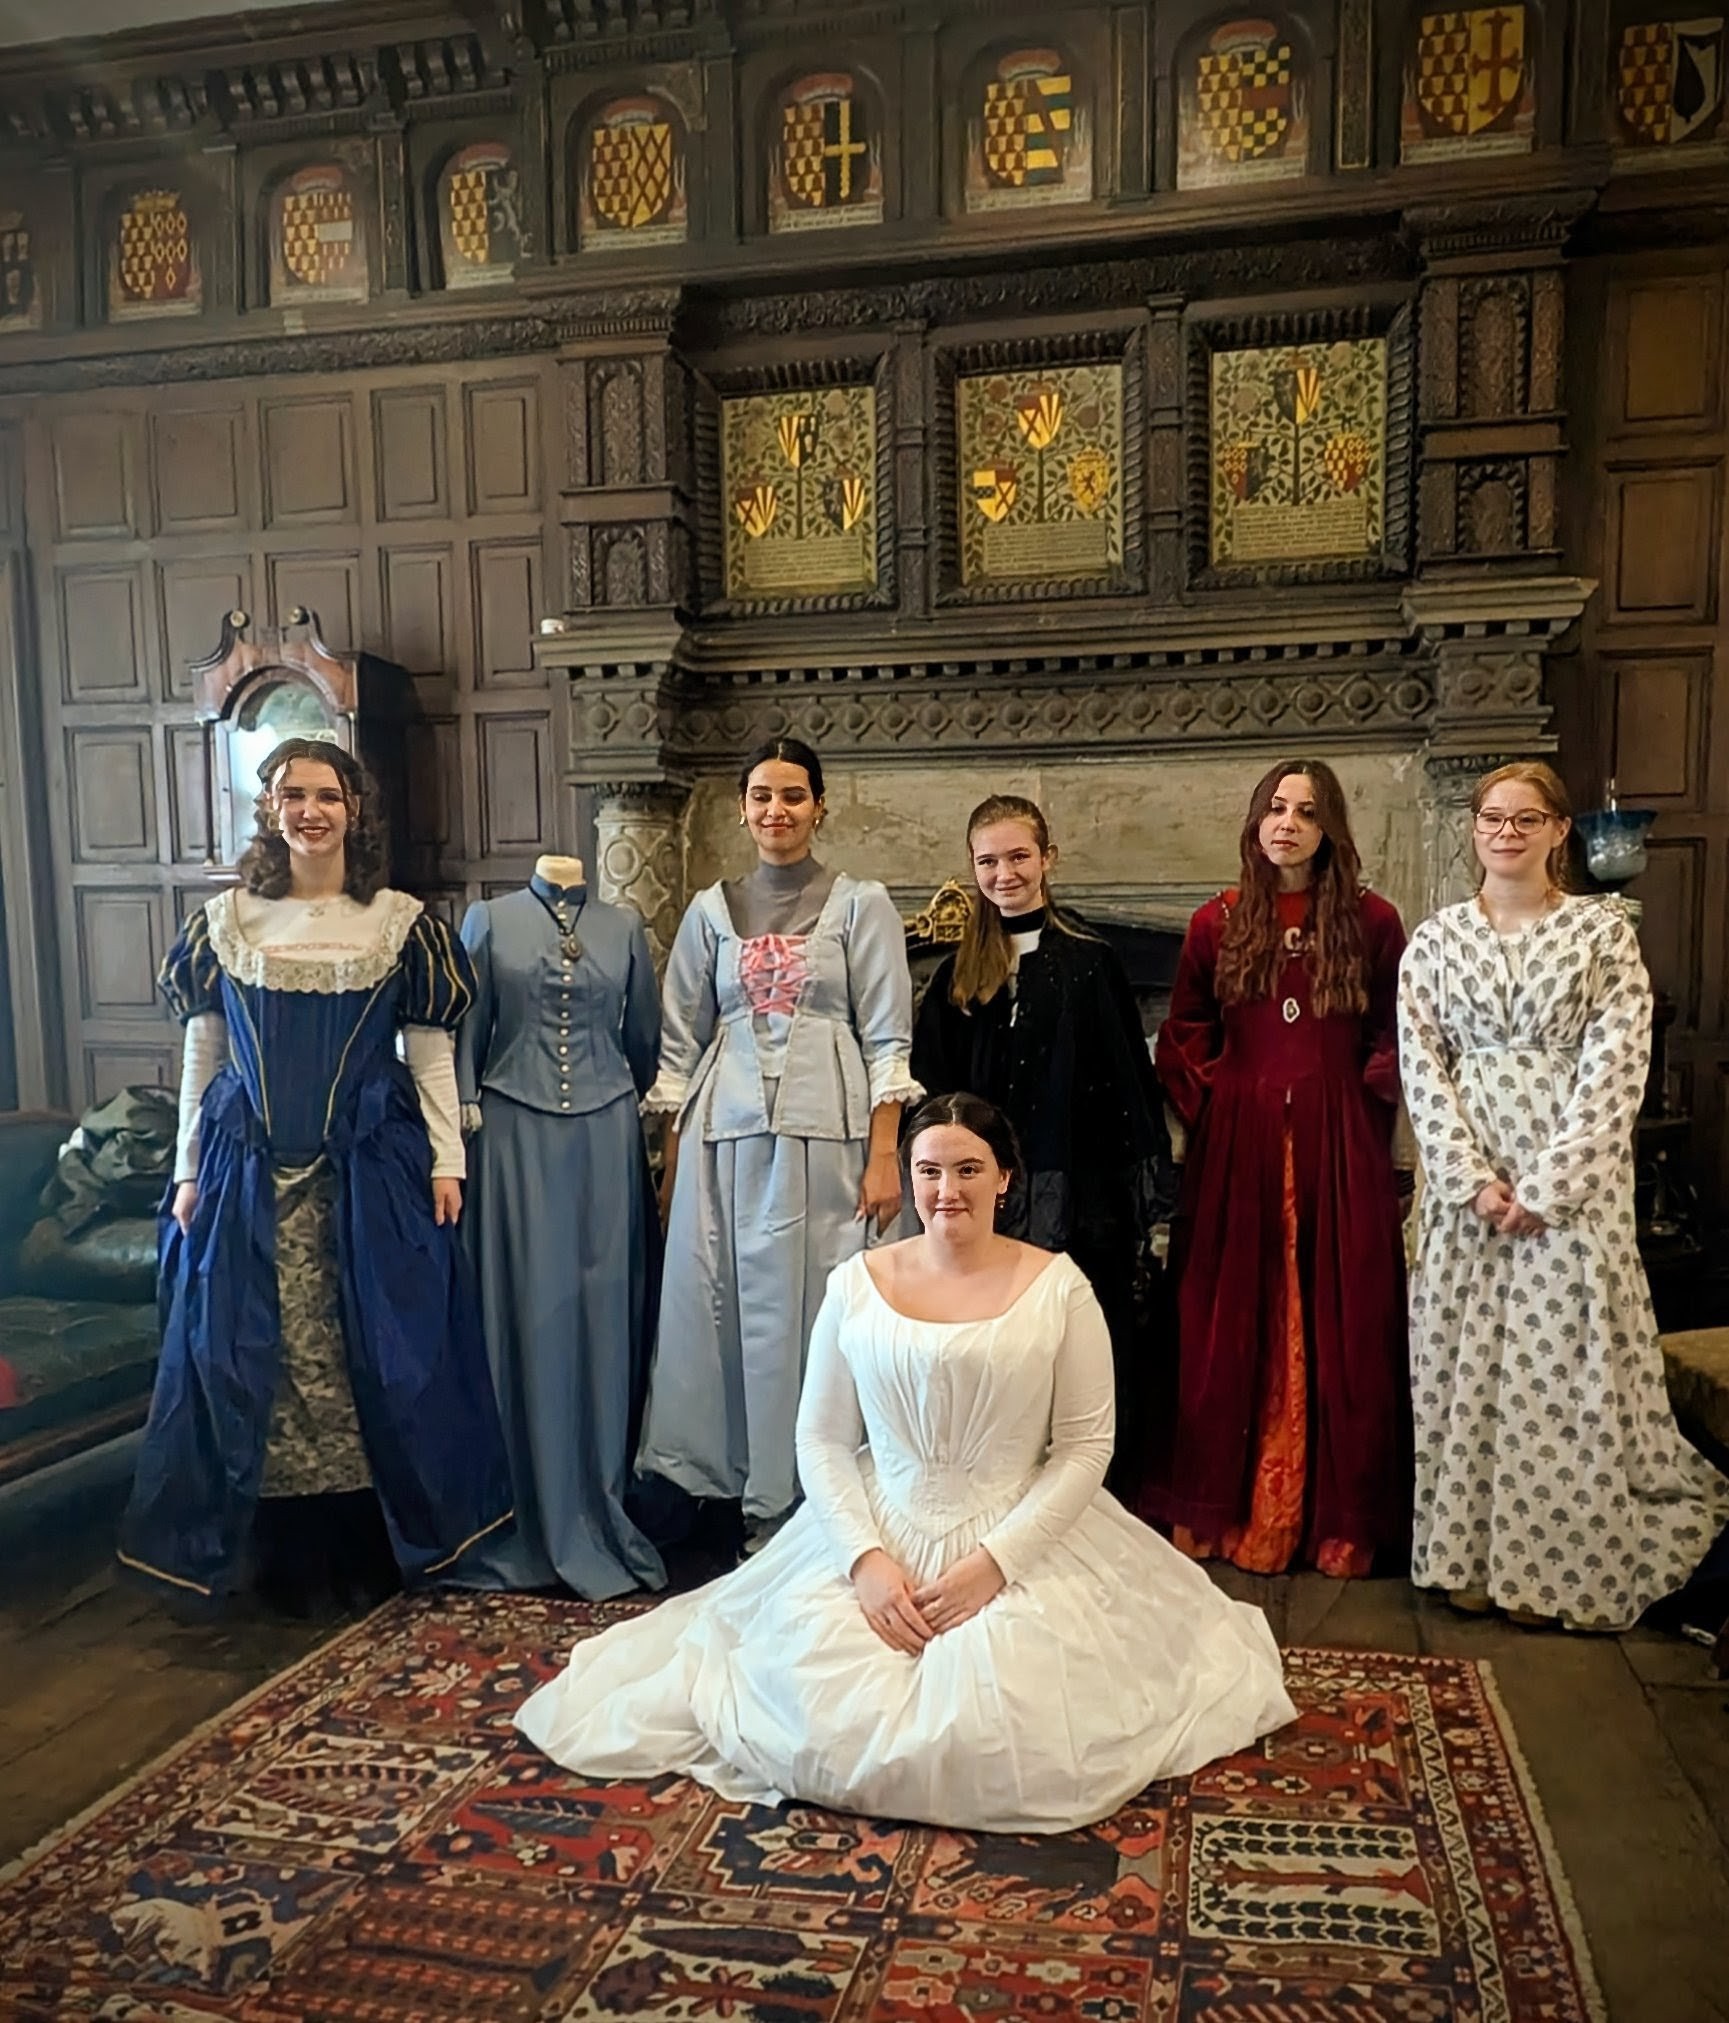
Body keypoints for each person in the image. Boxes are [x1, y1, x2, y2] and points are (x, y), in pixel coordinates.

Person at [518, 1093, 1294, 1834]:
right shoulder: (857, 1284)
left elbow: (1086, 1447)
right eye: (928, 1170)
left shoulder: (1059, 1289)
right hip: (879, 1527)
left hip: (1018, 1531)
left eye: (966, 1168)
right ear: (910, 1178)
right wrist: (863, 1562)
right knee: (810, 1714)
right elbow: (821, 1437)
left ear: (1003, 1177)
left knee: (1015, 1740)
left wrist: (997, 1562)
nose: (946, 1189)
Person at [119, 737, 514, 1611]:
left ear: (355, 810)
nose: (309, 810)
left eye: (326, 795)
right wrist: (186, 1169)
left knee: (369, 1353)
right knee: (249, 1353)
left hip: (368, 1171)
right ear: (269, 810)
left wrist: (448, 1158)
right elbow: (204, 1049)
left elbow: (429, 1050)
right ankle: (276, 1553)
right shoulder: (228, 923)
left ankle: (367, 1547)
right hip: (245, 1173)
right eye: (291, 794)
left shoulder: (399, 924)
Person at [1398, 761, 1729, 1631]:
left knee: (1558, 1373)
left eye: (1524, 818)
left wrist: (1544, 1188)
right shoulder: (1432, 942)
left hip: (1565, 1186)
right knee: (1461, 1367)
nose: (1504, 832)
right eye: (1490, 817)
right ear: (1473, 830)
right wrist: (1470, 1181)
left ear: (1557, 832)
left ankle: (1557, 1571)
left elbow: (1617, 1067)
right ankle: (1464, 1556)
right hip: (1467, 1188)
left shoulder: (1599, 934)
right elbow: (1420, 1069)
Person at [637, 737, 920, 1553]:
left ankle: (830, 1498)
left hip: (830, 1146)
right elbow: (679, 1048)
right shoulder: (707, 911)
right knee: (729, 1309)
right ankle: (752, 1496)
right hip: (724, 1146)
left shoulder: (861, 904)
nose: (776, 810)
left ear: (819, 806)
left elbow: (886, 1037)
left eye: (793, 795)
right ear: (742, 807)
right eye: (761, 795)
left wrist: (882, 1153)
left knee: (821, 1310)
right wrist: (671, 1165)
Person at [1149, 759, 1410, 1578]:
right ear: (1254, 822)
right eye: (1273, 807)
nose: (1285, 822)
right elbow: (1181, 1027)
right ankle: (1221, 1510)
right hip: (1241, 1142)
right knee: (1229, 1308)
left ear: (1329, 825)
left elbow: (1401, 1028)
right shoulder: (1215, 921)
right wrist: (1221, 1099)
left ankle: (1338, 1520)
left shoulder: (1372, 921)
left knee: (1347, 1312)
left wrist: (1364, 1099)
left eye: (1303, 810)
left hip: (1339, 1143)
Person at [910, 794, 1175, 1489]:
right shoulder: (955, 975)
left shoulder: (1090, 962)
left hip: (1078, 1189)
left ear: (1046, 859)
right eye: (988, 860)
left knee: (1080, 1334)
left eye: (1018, 856)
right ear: (972, 869)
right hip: (983, 1192)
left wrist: (1134, 1195)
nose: (1005, 873)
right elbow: (935, 1089)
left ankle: (1087, 1484)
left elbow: (1126, 1083)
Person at [456, 850, 666, 1600]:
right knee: (523, 1311)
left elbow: (645, 1038)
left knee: (601, 1310)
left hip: (606, 1137)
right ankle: (518, 1513)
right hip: (510, 1131)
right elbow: (465, 1031)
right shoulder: (488, 919)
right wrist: (460, 1120)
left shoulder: (624, 926)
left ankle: (599, 1502)